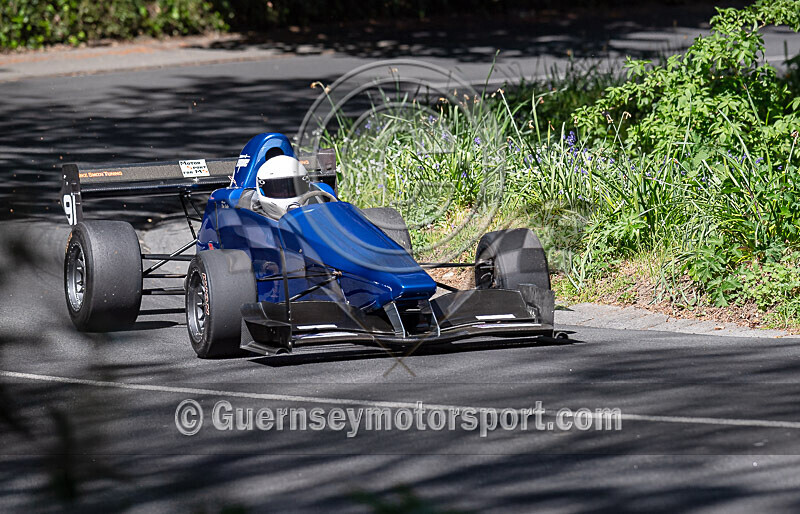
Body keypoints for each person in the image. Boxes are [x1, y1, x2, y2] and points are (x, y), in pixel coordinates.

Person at [252, 154, 310, 219]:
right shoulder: (247, 217)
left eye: (292, 189)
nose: (285, 193)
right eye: (278, 190)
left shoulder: (319, 202)